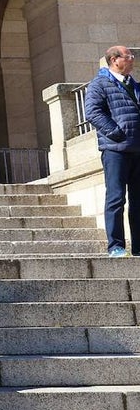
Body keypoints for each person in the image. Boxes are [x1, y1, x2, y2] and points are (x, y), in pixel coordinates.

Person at [83, 45, 140, 256]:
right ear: (115, 60)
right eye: (128, 56)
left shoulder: (134, 85)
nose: (132, 59)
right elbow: (93, 112)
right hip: (115, 149)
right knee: (116, 198)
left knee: (138, 200)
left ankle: (139, 247)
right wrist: (116, 133)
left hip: (137, 148)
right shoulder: (99, 84)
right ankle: (116, 246)